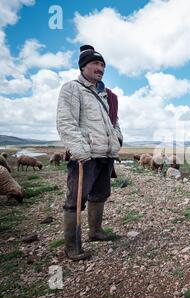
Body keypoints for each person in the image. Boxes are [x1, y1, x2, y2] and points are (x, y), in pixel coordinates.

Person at [56, 45, 123, 261]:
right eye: (95, 63)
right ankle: (72, 247)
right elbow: (66, 121)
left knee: (101, 194)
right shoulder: (73, 89)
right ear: (83, 66)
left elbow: (114, 122)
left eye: (102, 64)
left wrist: (118, 140)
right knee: (76, 199)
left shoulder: (106, 95)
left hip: (106, 154)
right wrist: (79, 149)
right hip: (86, 156)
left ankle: (95, 231)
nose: (100, 68)